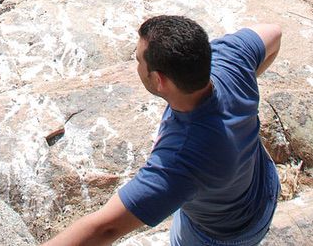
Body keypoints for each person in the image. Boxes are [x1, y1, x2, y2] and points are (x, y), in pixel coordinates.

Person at [41, 15, 282, 246]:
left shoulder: (180, 161)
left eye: (138, 60)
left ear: (160, 80)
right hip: (264, 183)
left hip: (222, 234)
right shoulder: (230, 60)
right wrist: (246, 79)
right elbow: (274, 33)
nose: (136, 64)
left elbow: (105, 228)